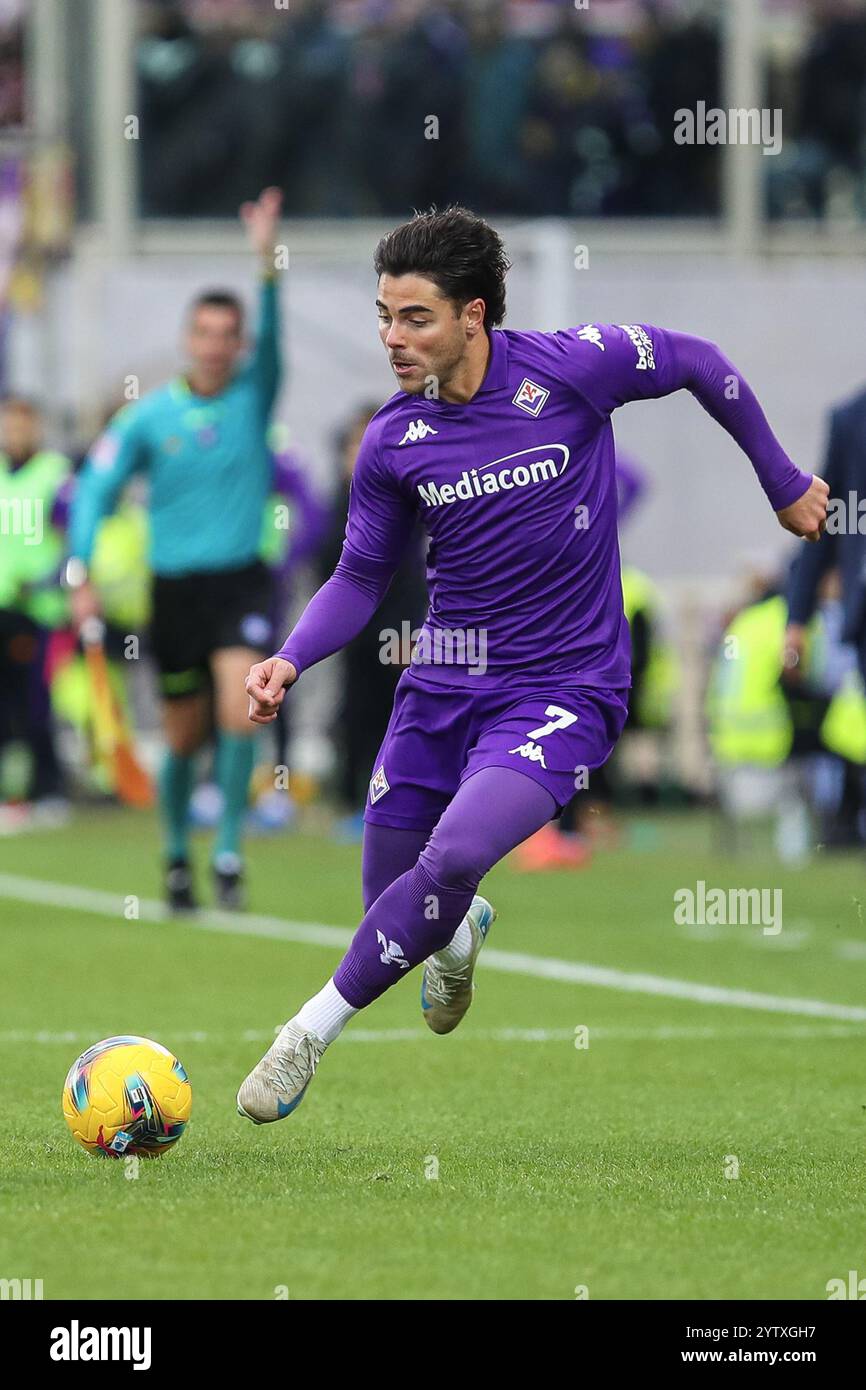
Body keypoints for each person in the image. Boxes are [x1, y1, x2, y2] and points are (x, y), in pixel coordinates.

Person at [237, 205, 828, 1125]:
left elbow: (699, 363)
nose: (392, 338)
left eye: (415, 317)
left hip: (564, 689)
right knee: (398, 902)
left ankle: (305, 1034)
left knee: (455, 854)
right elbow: (358, 576)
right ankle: (456, 929)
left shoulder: (571, 366)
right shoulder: (393, 441)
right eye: (384, 316)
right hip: (440, 688)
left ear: (474, 315)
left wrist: (782, 480)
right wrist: (290, 657)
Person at [68, 188, 283, 912]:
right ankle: (173, 855)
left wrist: (268, 266)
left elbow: (276, 338)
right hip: (176, 592)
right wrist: (80, 568)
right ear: (189, 339)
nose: (217, 344)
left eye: (230, 332)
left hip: (241, 584)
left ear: (240, 343)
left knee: (239, 704)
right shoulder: (150, 417)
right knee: (183, 737)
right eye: (206, 331)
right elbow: (93, 490)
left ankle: (225, 849)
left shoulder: (256, 396)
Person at [0, 396, 72, 816]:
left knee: (34, 703)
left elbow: (75, 538)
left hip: (36, 611)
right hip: (1, 606)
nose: (14, 433)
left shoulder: (53, 475)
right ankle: (14, 790)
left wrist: (47, 580)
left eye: (21, 425)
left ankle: (49, 788)